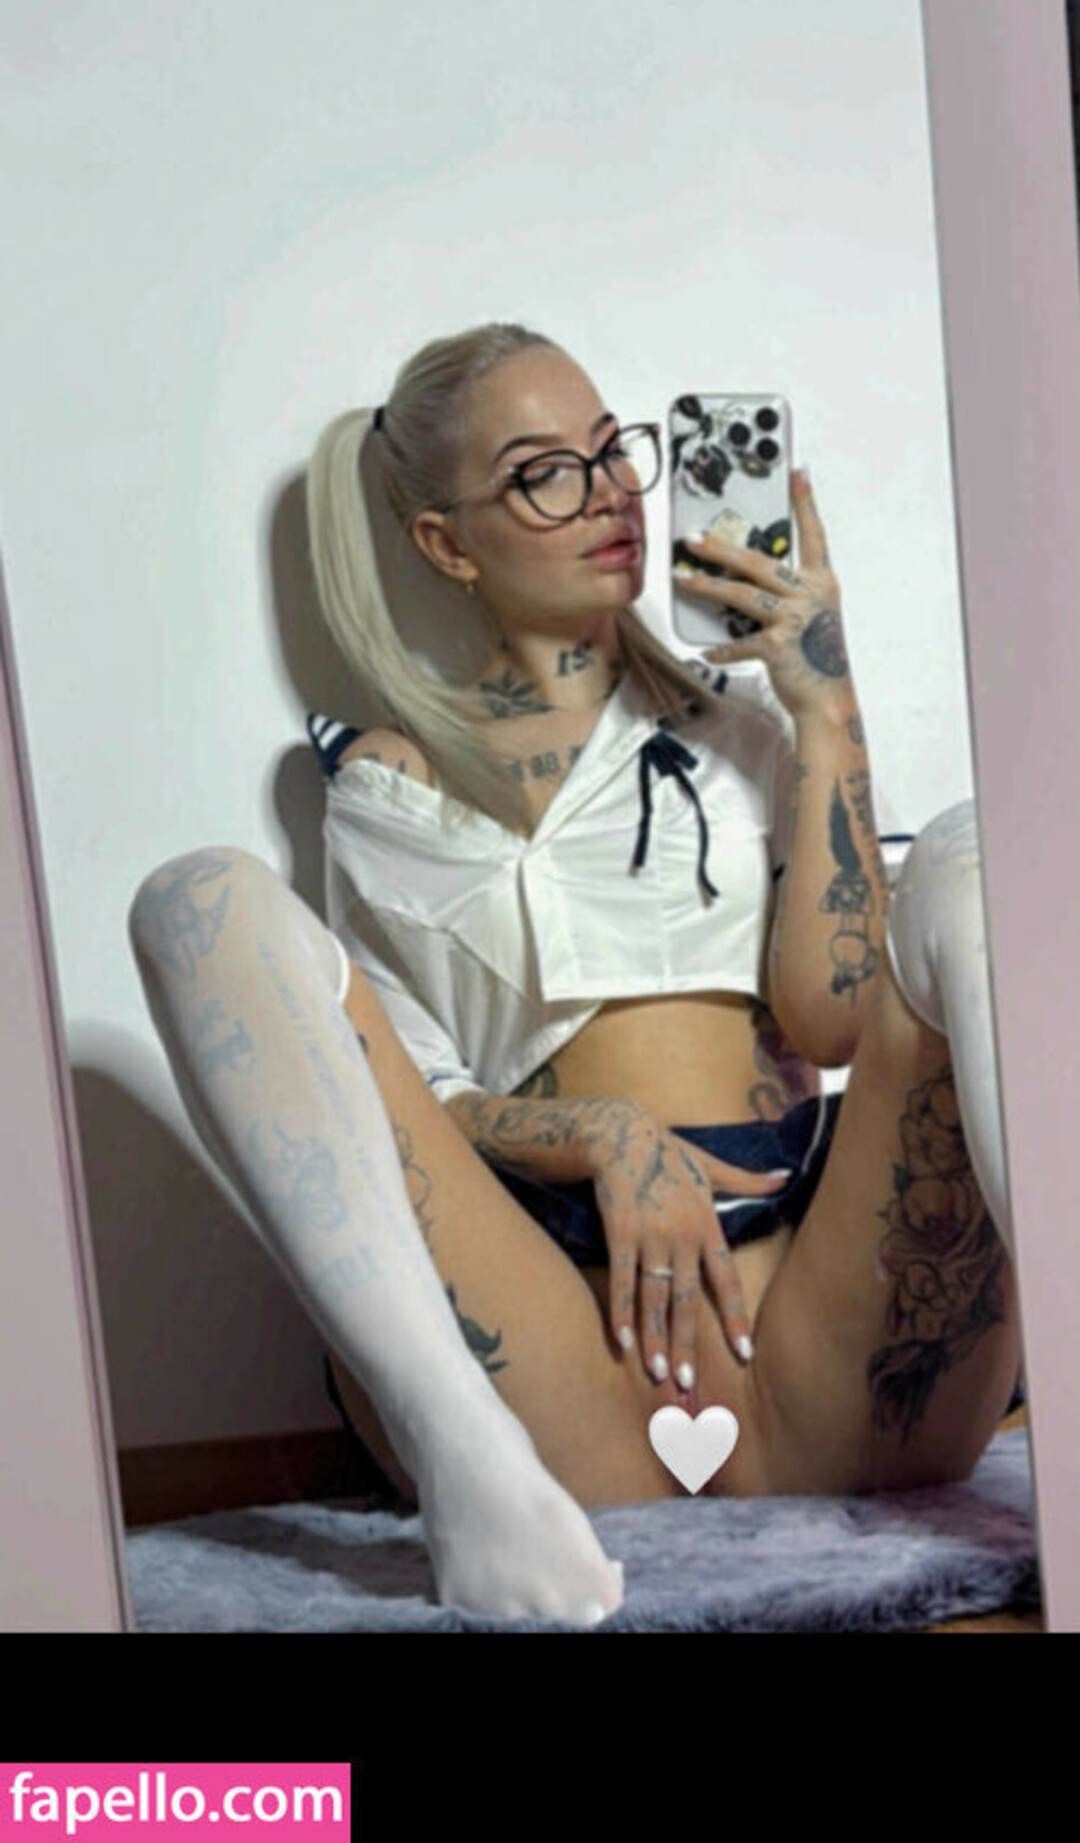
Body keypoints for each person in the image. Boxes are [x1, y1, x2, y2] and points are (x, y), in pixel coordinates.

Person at [128, 321, 1022, 1624]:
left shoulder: (747, 730)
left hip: (826, 1330)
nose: (611, 494)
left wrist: (827, 712)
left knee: (979, 847)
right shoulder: (385, 788)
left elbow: (833, 1020)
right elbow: (414, 1094)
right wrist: (600, 1132)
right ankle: (466, 1467)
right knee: (196, 899)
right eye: (547, 472)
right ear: (446, 543)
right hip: (561, 1365)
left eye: (615, 452)